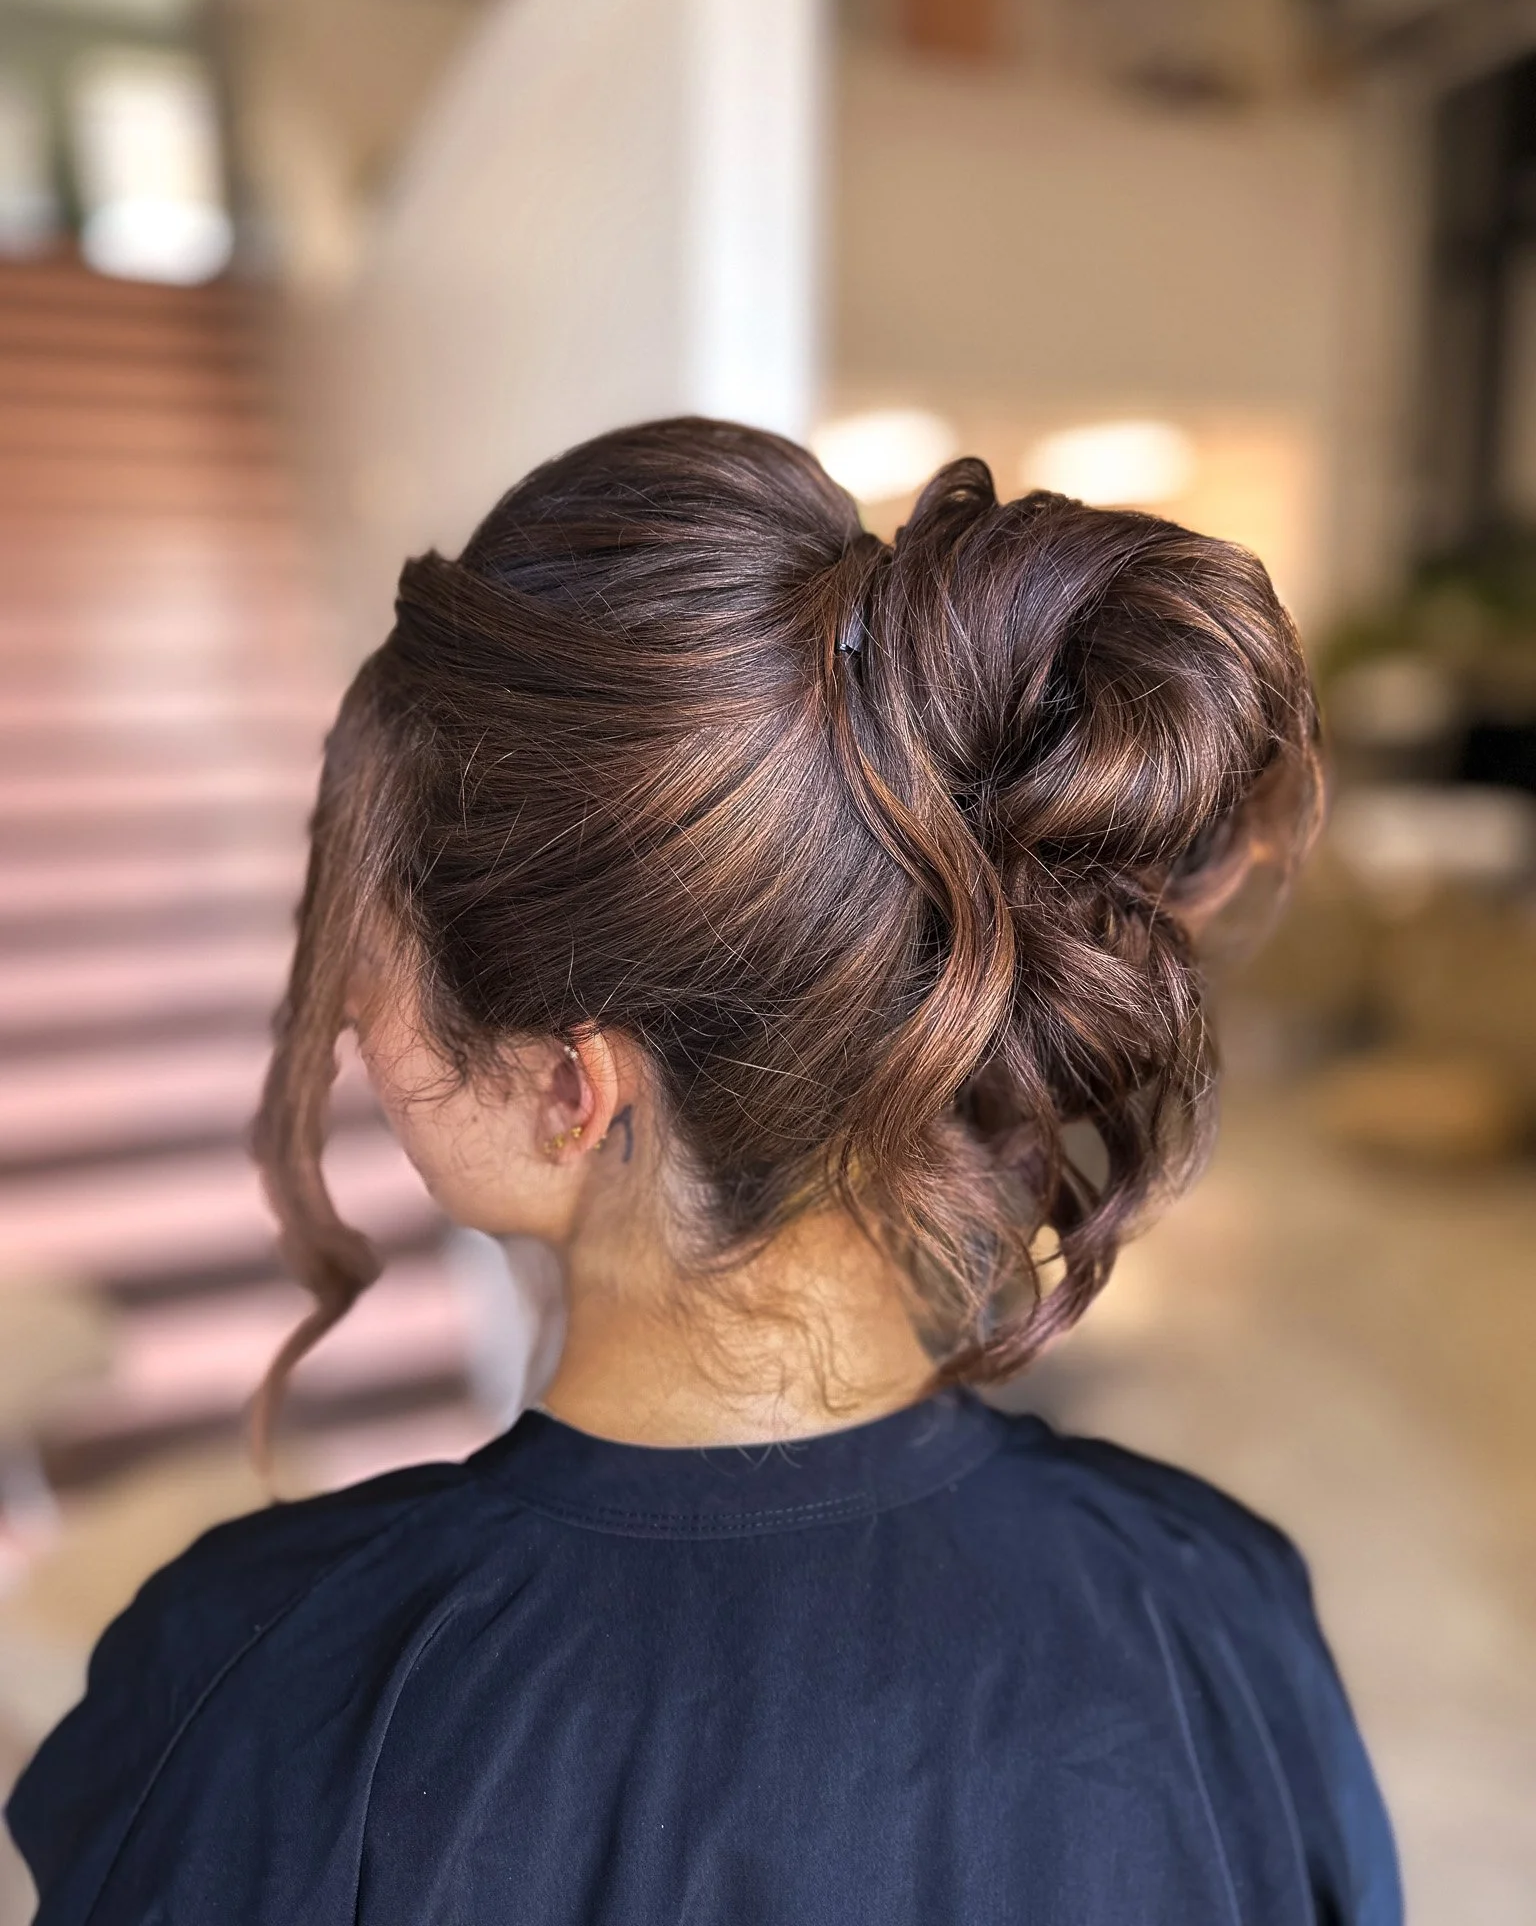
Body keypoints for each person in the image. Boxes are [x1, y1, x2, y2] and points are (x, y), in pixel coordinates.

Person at [7, 419, 1401, 1924]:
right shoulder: (1214, 1607)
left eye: (378, 934)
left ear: (569, 1087)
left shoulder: (275, 1687)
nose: (345, 1010)